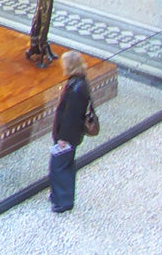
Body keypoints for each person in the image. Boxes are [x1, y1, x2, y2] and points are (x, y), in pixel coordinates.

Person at [49, 50, 92, 213]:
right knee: (62, 164)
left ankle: (63, 201)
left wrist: (63, 138)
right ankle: (58, 196)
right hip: (71, 134)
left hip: (67, 136)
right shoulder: (80, 82)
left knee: (60, 166)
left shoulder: (75, 88)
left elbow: (70, 116)